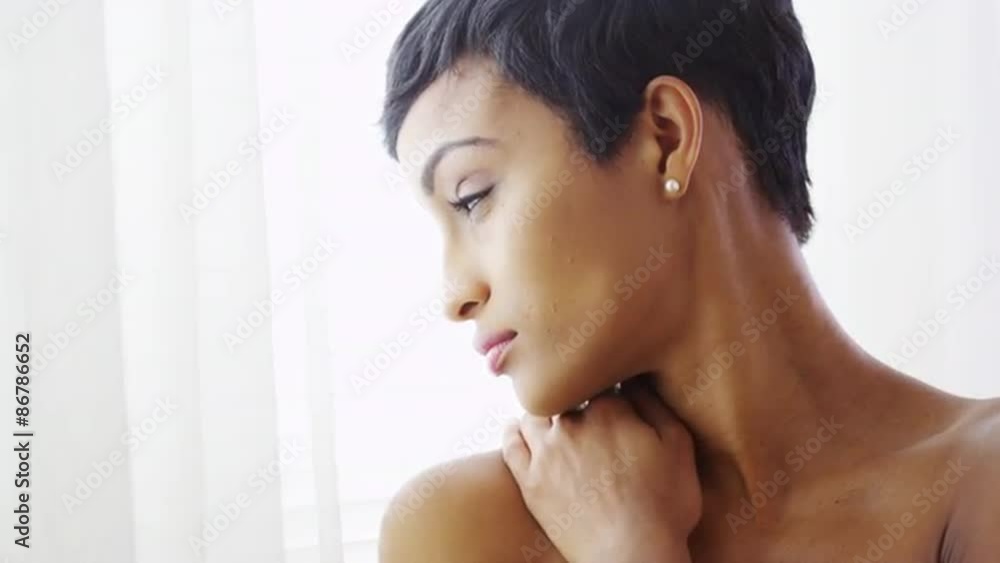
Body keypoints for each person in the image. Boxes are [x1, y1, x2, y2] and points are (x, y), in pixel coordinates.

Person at [375, 0, 1000, 561]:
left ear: (667, 136)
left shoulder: (976, 483)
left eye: (473, 197)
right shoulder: (459, 530)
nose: (454, 295)